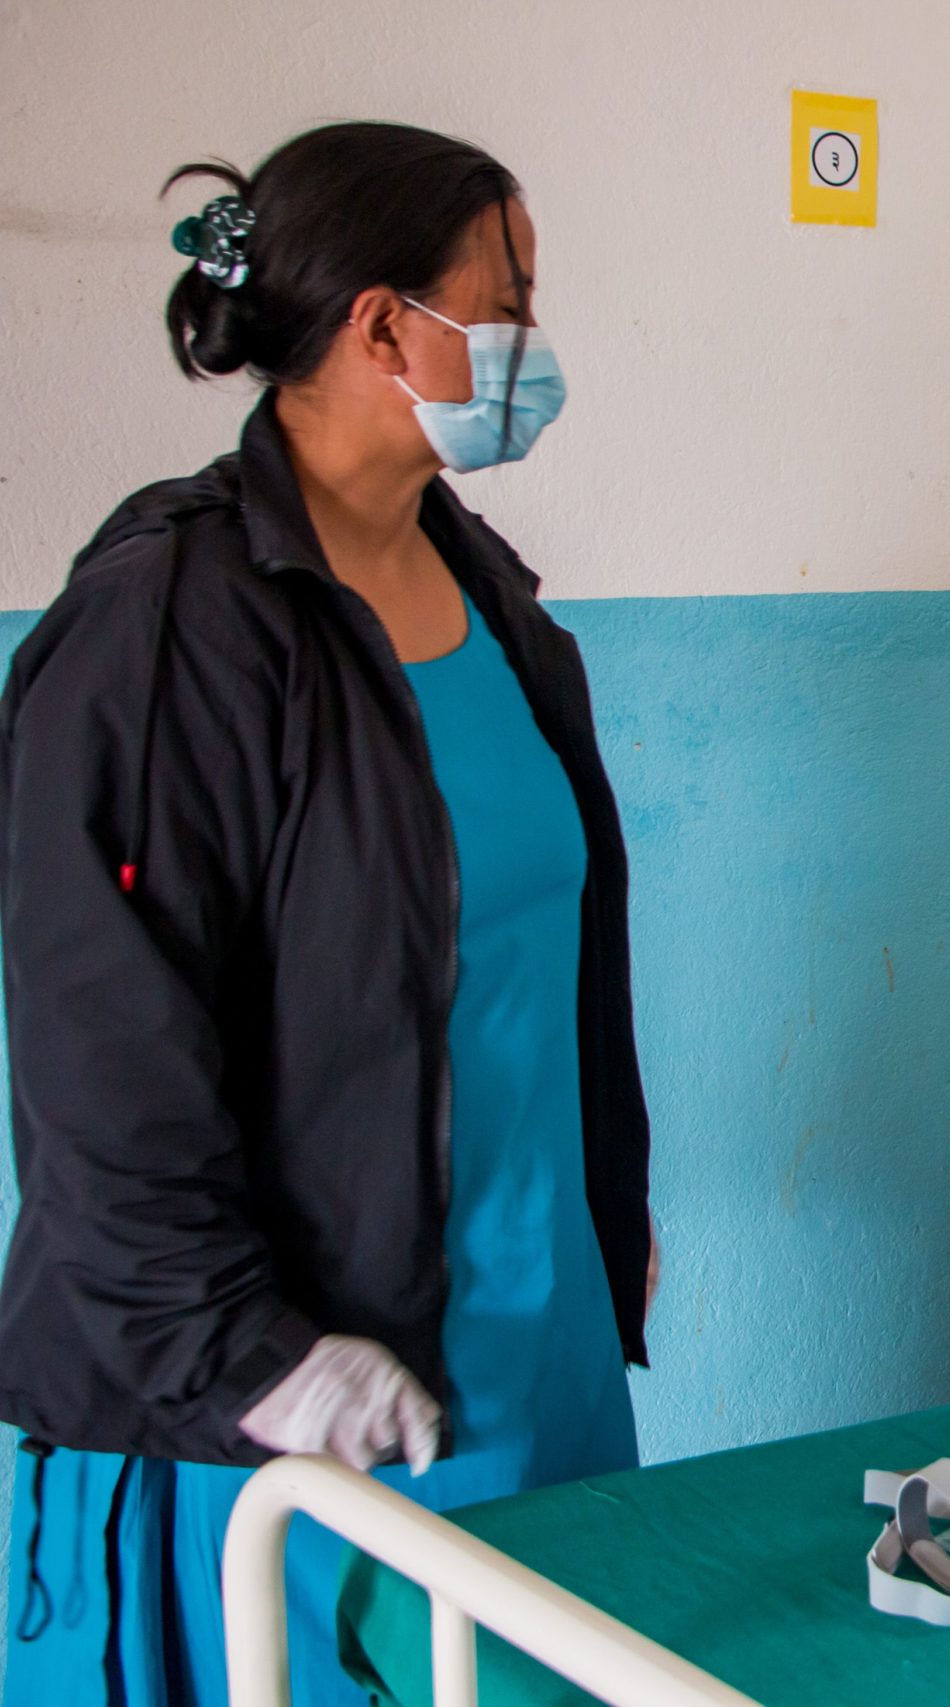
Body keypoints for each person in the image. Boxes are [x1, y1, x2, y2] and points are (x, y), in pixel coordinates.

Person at [0, 122, 653, 1706]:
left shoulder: (488, 593)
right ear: (381, 327)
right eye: (505, 303)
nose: (531, 346)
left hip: (530, 1349)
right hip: (308, 1402)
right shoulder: (169, 635)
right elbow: (105, 1060)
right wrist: (257, 1359)